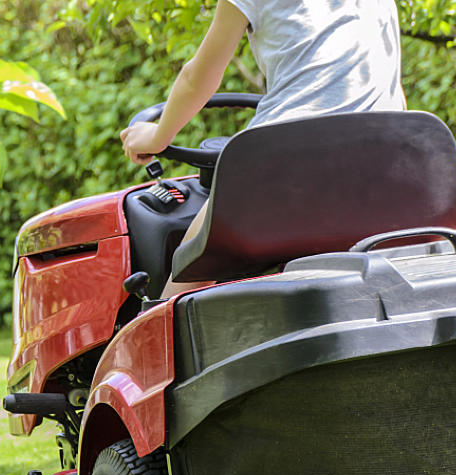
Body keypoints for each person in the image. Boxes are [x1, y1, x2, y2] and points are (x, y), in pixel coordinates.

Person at [120, 0, 407, 297]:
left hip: (289, 161)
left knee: (193, 261)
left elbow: (197, 78)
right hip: (385, 170)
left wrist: (158, 137)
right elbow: (394, 93)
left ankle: (162, 333)